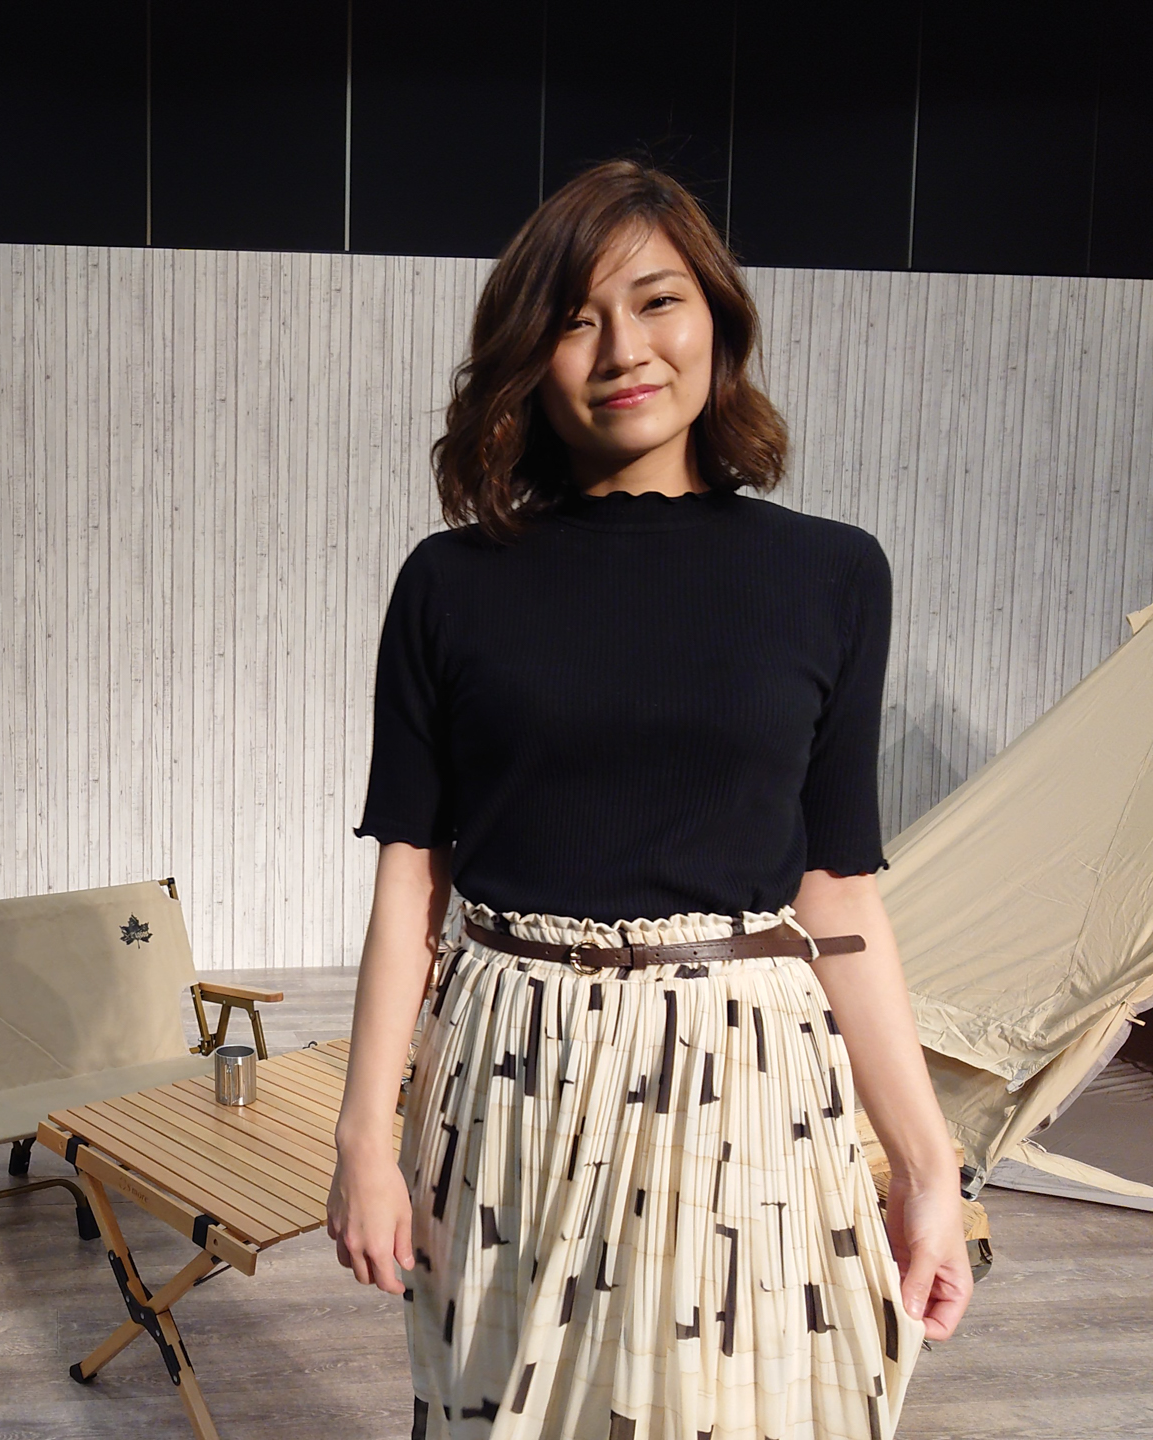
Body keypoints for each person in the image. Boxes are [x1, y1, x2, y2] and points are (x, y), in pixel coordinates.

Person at [325, 160, 972, 1440]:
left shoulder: (833, 575)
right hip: (514, 1074)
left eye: (659, 301)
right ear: (527, 360)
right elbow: (411, 882)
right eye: (576, 319)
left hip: (748, 1074)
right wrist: (360, 1142)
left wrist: (926, 1166)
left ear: (718, 321)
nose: (624, 349)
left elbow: (838, 891)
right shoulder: (451, 583)